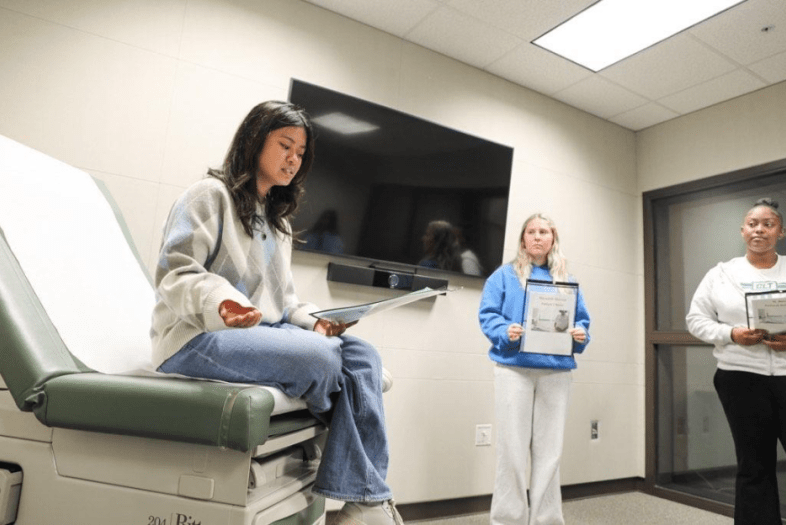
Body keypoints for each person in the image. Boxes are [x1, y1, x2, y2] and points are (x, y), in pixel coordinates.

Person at [150, 101, 403, 525]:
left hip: (255, 337)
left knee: (362, 355)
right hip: (194, 338)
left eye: (301, 153)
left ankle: (365, 501)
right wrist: (221, 303)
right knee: (324, 359)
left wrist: (316, 322)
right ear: (253, 141)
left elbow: (284, 303)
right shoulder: (208, 196)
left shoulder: (276, 222)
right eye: (285, 145)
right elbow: (175, 272)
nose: (294, 160)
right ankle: (368, 498)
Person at [478, 213, 591, 525]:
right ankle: (507, 520)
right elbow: (488, 315)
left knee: (549, 453)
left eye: (544, 231)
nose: (538, 237)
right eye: (532, 231)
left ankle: (547, 520)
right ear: (523, 239)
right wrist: (505, 331)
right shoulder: (502, 277)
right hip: (513, 369)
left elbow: (581, 320)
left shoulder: (565, 279)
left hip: (556, 371)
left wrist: (581, 336)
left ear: (553, 238)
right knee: (511, 452)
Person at [686, 198, 786, 525]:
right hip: (741, 379)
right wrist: (731, 333)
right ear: (742, 230)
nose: (760, 230)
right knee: (753, 464)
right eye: (753, 224)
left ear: (780, 232)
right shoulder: (721, 274)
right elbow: (696, 319)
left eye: (768, 224)